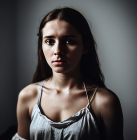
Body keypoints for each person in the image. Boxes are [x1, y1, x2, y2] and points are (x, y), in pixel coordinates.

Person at [12, 7, 124, 140]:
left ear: (85, 46)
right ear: (41, 45)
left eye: (69, 41)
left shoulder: (104, 102)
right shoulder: (28, 96)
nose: (58, 50)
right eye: (49, 41)